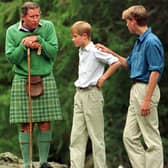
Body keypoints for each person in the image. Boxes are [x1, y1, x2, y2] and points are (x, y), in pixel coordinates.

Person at [96, 5, 164, 168]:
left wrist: (147, 100)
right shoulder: (139, 42)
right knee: (129, 136)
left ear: (134, 21)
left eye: (127, 21)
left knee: (151, 138)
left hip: (146, 89)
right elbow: (127, 63)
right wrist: (109, 51)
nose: (126, 25)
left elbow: (155, 71)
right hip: (136, 91)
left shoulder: (151, 42)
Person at [5, 2, 62, 168]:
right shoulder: (12, 32)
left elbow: (53, 52)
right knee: (25, 123)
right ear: (23, 17)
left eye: (38, 15)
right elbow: (12, 59)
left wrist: (39, 40)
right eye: (32, 16)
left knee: (45, 122)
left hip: (45, 76)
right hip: (23, 78)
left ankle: (44, 162)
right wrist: (24, 45)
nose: (36, 19)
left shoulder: (48, 27)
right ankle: (27, 164)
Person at [69, 21, 121, 168]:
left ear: (84, 36)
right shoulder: (81, 50)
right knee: (76, 136)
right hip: (79, 95)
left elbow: (116, 62)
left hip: (92, 95)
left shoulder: (95, 50)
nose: (73, 39)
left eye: (75, 36)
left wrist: (103, 78)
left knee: (96, 137)